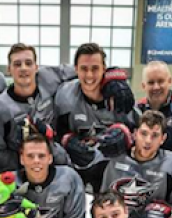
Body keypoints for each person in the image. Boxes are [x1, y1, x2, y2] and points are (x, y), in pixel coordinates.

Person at [53, 42, 138, 192]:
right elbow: (58, 129)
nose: (90, 75)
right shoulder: (64, 95)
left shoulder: (117, 95)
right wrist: (68, 141)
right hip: (81, 165)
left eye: (95, 68)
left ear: (104, 69)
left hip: (115, 169)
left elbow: (141, 129)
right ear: (75, 70)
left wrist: (126, 135)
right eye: (84, 69)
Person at [0, 43, 74, 171]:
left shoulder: (47, 80)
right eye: (17, 64)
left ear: (36, 67)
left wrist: (111, 76)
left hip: (55, 160)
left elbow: (81, 68)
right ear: (9, 69)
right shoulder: (0, 106)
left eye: (28, 63)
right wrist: (28, 160)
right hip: (20, 169)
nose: (23, 68)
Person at [99, 110, 172, 218]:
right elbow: (100, 200)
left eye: (155, 135)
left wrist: (166, 212)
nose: (148, 141)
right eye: (144, 133)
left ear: (163, 139)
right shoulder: (114, 158)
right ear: (135, 134)